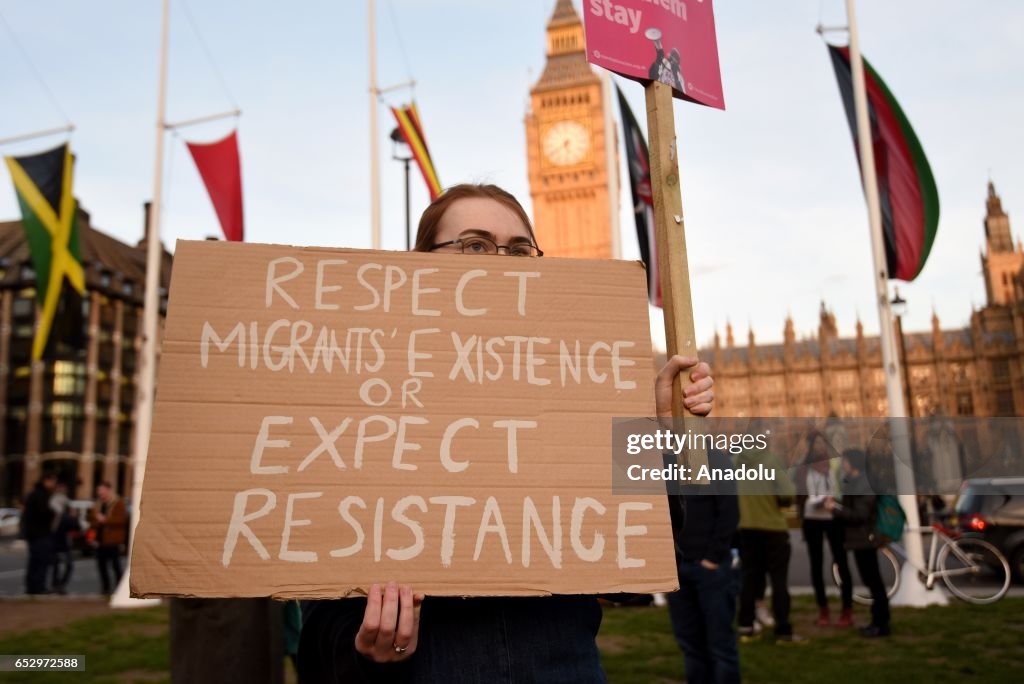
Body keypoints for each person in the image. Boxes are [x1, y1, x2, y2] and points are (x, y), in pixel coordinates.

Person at [297, 184, 716, 682]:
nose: (500, 261)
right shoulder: (363, 402)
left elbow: (637, 565)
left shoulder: (577, 392)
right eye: (474, 245)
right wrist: (364, 647)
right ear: (420, 264)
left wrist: (658, 434)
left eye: (519, 249)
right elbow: (319, 614)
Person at [665, 450, 740, 684]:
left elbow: (729, 511)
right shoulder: (664, 461)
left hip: (710, 568)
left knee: (720, 645)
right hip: (677, 569)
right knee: (690, 644)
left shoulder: (715, 459)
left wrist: (713, 558)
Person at [735, 447, 801, 642]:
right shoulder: (771, 460)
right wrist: (781, 503)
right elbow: (788, 493)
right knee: (779, 580)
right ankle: (782, 629)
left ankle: (746, 625)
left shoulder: (735, 463)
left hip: (746, 527)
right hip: (773, 528)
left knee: (748, 578)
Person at [826, 449, 890, 638]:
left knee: (873, 582)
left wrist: (835, 510)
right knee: (871, 581)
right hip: (860, 539)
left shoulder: (863, 484)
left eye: (845, 461)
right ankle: (878, 622)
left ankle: (881, 623)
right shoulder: (856, 482)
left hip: (864, 539)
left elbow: (859, 515)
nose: (842, 465)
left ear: (852, 463)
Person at [795, 432, 853, 627]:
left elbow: (844, 487)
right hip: (812, 519)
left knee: (842, 563)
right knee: (816, 565)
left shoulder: (835, 465)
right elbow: (799, 493)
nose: (819, 447)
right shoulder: (803, 468)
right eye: (816, 443)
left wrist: (836, 501)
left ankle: (847, 610)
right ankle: (823, 610)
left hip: (833, 518)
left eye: (822, 442)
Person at [88, 481, 127, 595]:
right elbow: (91, 518)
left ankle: (119, 587)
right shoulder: (98, 504)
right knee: (101, 565)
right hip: (100, 539)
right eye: (98, 491)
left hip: (112, 540)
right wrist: (94, 518)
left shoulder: (118, 503)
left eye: (102, 490)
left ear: (108, 490)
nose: (100, 493)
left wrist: (105, 520)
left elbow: (121, 520)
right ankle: (105, 588)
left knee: (115, 564)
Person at [23, 472, 58, 594]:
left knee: (34, 562)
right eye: (52, 481)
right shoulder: (42, 496)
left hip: (34, 534)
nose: (54, 484)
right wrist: (53, 513)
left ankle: (32, 587)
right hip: (41, 534)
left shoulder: (33, 494)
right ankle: (38, 587)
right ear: (46, 481)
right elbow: (44, 514)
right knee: (41, 561)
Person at [50, 482, 78, 594]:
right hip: (61, 542)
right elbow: (74, 525)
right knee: (67, 565)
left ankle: (56, 585)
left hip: (56, 541)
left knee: (56, 565)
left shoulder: (56, 507)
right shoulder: (63, 510)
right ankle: (58, 585)